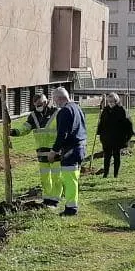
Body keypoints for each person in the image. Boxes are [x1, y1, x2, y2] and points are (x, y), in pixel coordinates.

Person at [12, 94, 62, 207]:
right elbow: (26, 128)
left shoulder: (57, 112)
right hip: (42, 153)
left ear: (46, 102)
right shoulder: (33, 116)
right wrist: (14, 132)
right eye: (37, 105)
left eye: (41, 104)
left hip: (56, 152)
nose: (40, 106)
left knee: (56, 177)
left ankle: (55, 200)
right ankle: (47, 198)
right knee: (44, 177)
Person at [47, 87, 87, 217]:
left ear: (59, 98)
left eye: (54, 99)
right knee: (73, 178)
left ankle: (71, 208)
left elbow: (62, 134)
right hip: (80, 147)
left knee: (69, 180)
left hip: (71, 149)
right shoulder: (77, 108)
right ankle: (72, 204)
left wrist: (54, 151)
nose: (54, 102)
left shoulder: (64, 111)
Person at [96, 93, 135, 178]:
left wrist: (127, 137)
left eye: (112, 101)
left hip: (118, 138)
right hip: (107, 138)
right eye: (109, 101)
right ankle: (105, 173)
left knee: (117, 156)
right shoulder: (105, 110)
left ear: (116, 101)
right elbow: (101, 123)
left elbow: (129, 124)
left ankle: (115, 174)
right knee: (107, 156)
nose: (110, 103)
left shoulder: (121, 110)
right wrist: (100, 133)